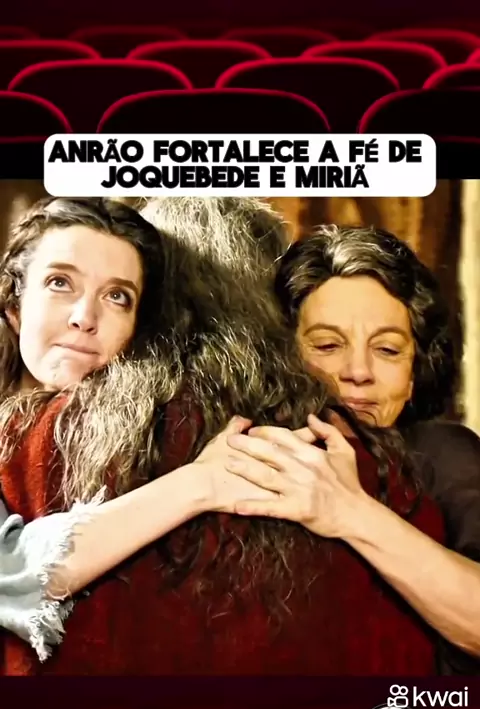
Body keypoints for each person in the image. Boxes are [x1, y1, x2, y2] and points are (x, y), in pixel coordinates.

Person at [0, 200, 446, 675]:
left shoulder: (34, 436)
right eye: (60, 283)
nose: (84, 318)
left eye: (117, 295)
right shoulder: (349, 450)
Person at [225, 224, 480, 672]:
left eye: (387, 349)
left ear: (415, 372)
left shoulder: (443, 454)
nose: (358, 371)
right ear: (282, 356)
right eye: (328, 345)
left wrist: (349, 511)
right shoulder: (241, 449)